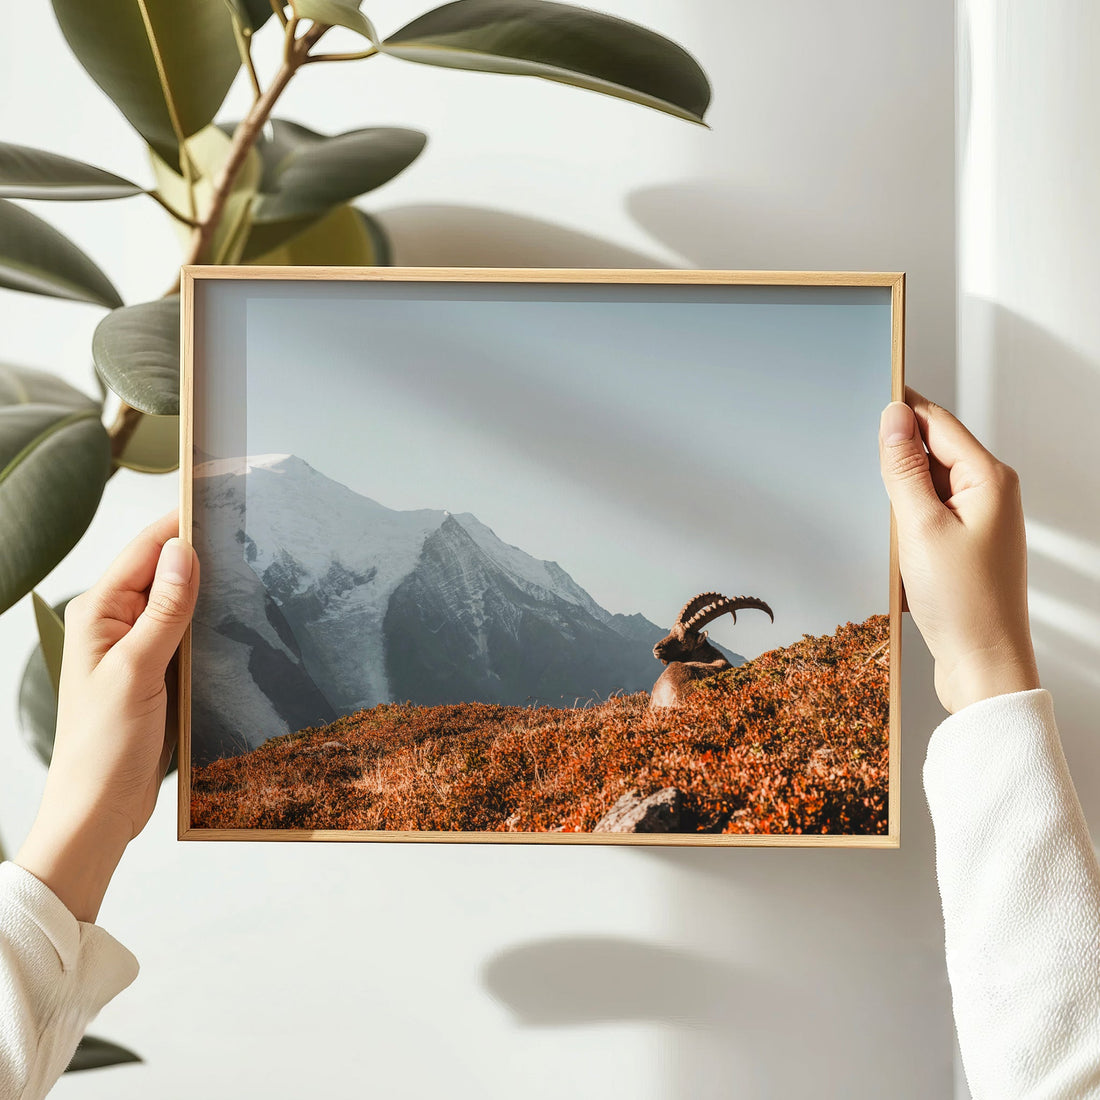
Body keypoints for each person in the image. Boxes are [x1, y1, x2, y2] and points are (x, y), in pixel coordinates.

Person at [1, 389, 1097, 1097]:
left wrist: (75, 833)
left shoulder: (694, 679)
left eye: (677, 641)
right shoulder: (673, 668)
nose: (671, 645)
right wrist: (987, 668)